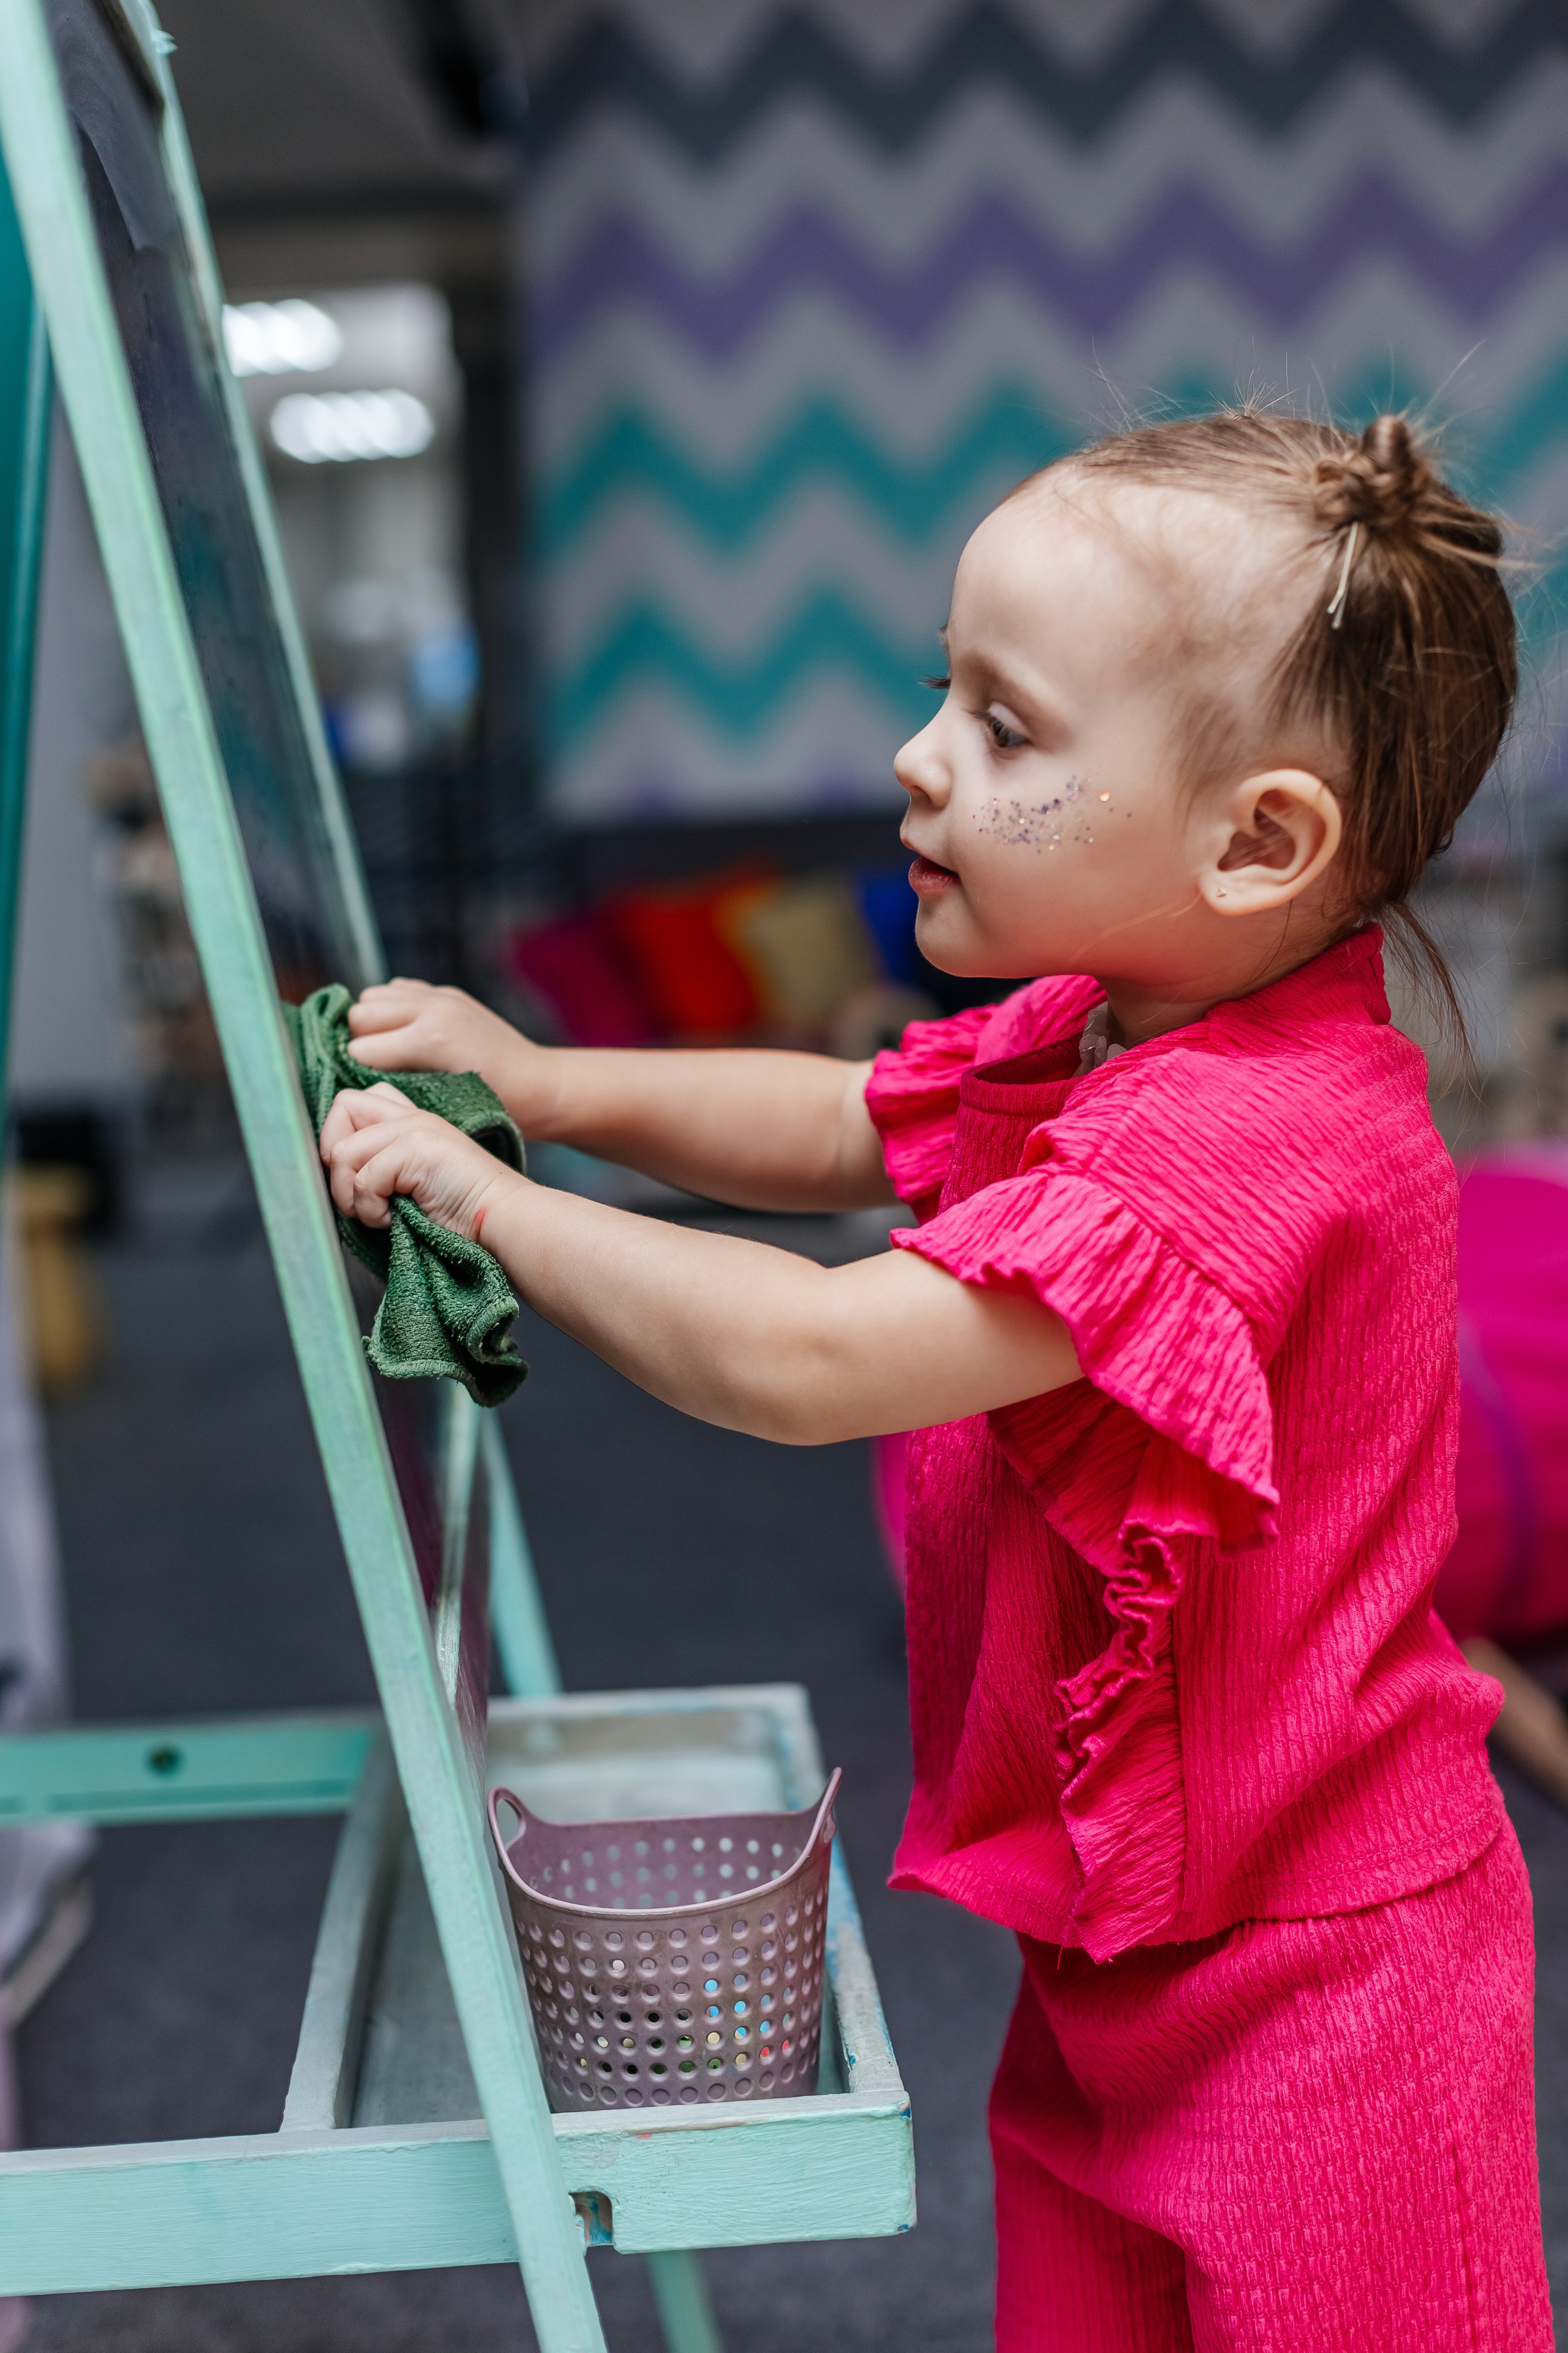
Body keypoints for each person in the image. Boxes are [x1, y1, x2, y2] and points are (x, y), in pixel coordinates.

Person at [322, 409, 1549, 2351]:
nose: (918, 756)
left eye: (1007, 725)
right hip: (1128, 1951)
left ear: (1259, 843)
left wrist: (491, 1202)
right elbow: (830, 1119)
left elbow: (815, 1358)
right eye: (941, 692)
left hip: (1328, 1993)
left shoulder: (1247, 1145)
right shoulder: (1097, 1039)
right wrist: (545, 1085)